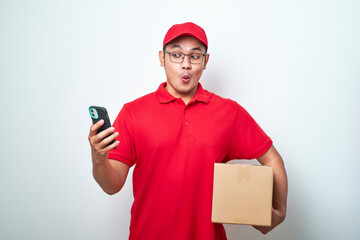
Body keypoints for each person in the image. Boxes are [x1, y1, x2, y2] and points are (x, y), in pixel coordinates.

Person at [88, 22, 288, 240]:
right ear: (162, 58)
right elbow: (112, 185)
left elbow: (271, 158)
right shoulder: (133, 113)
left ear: (205, 61)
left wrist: (279, 211)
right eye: (176, 54)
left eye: (194, 56)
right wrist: (98, 158)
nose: (185, 64)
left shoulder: (229, 112)